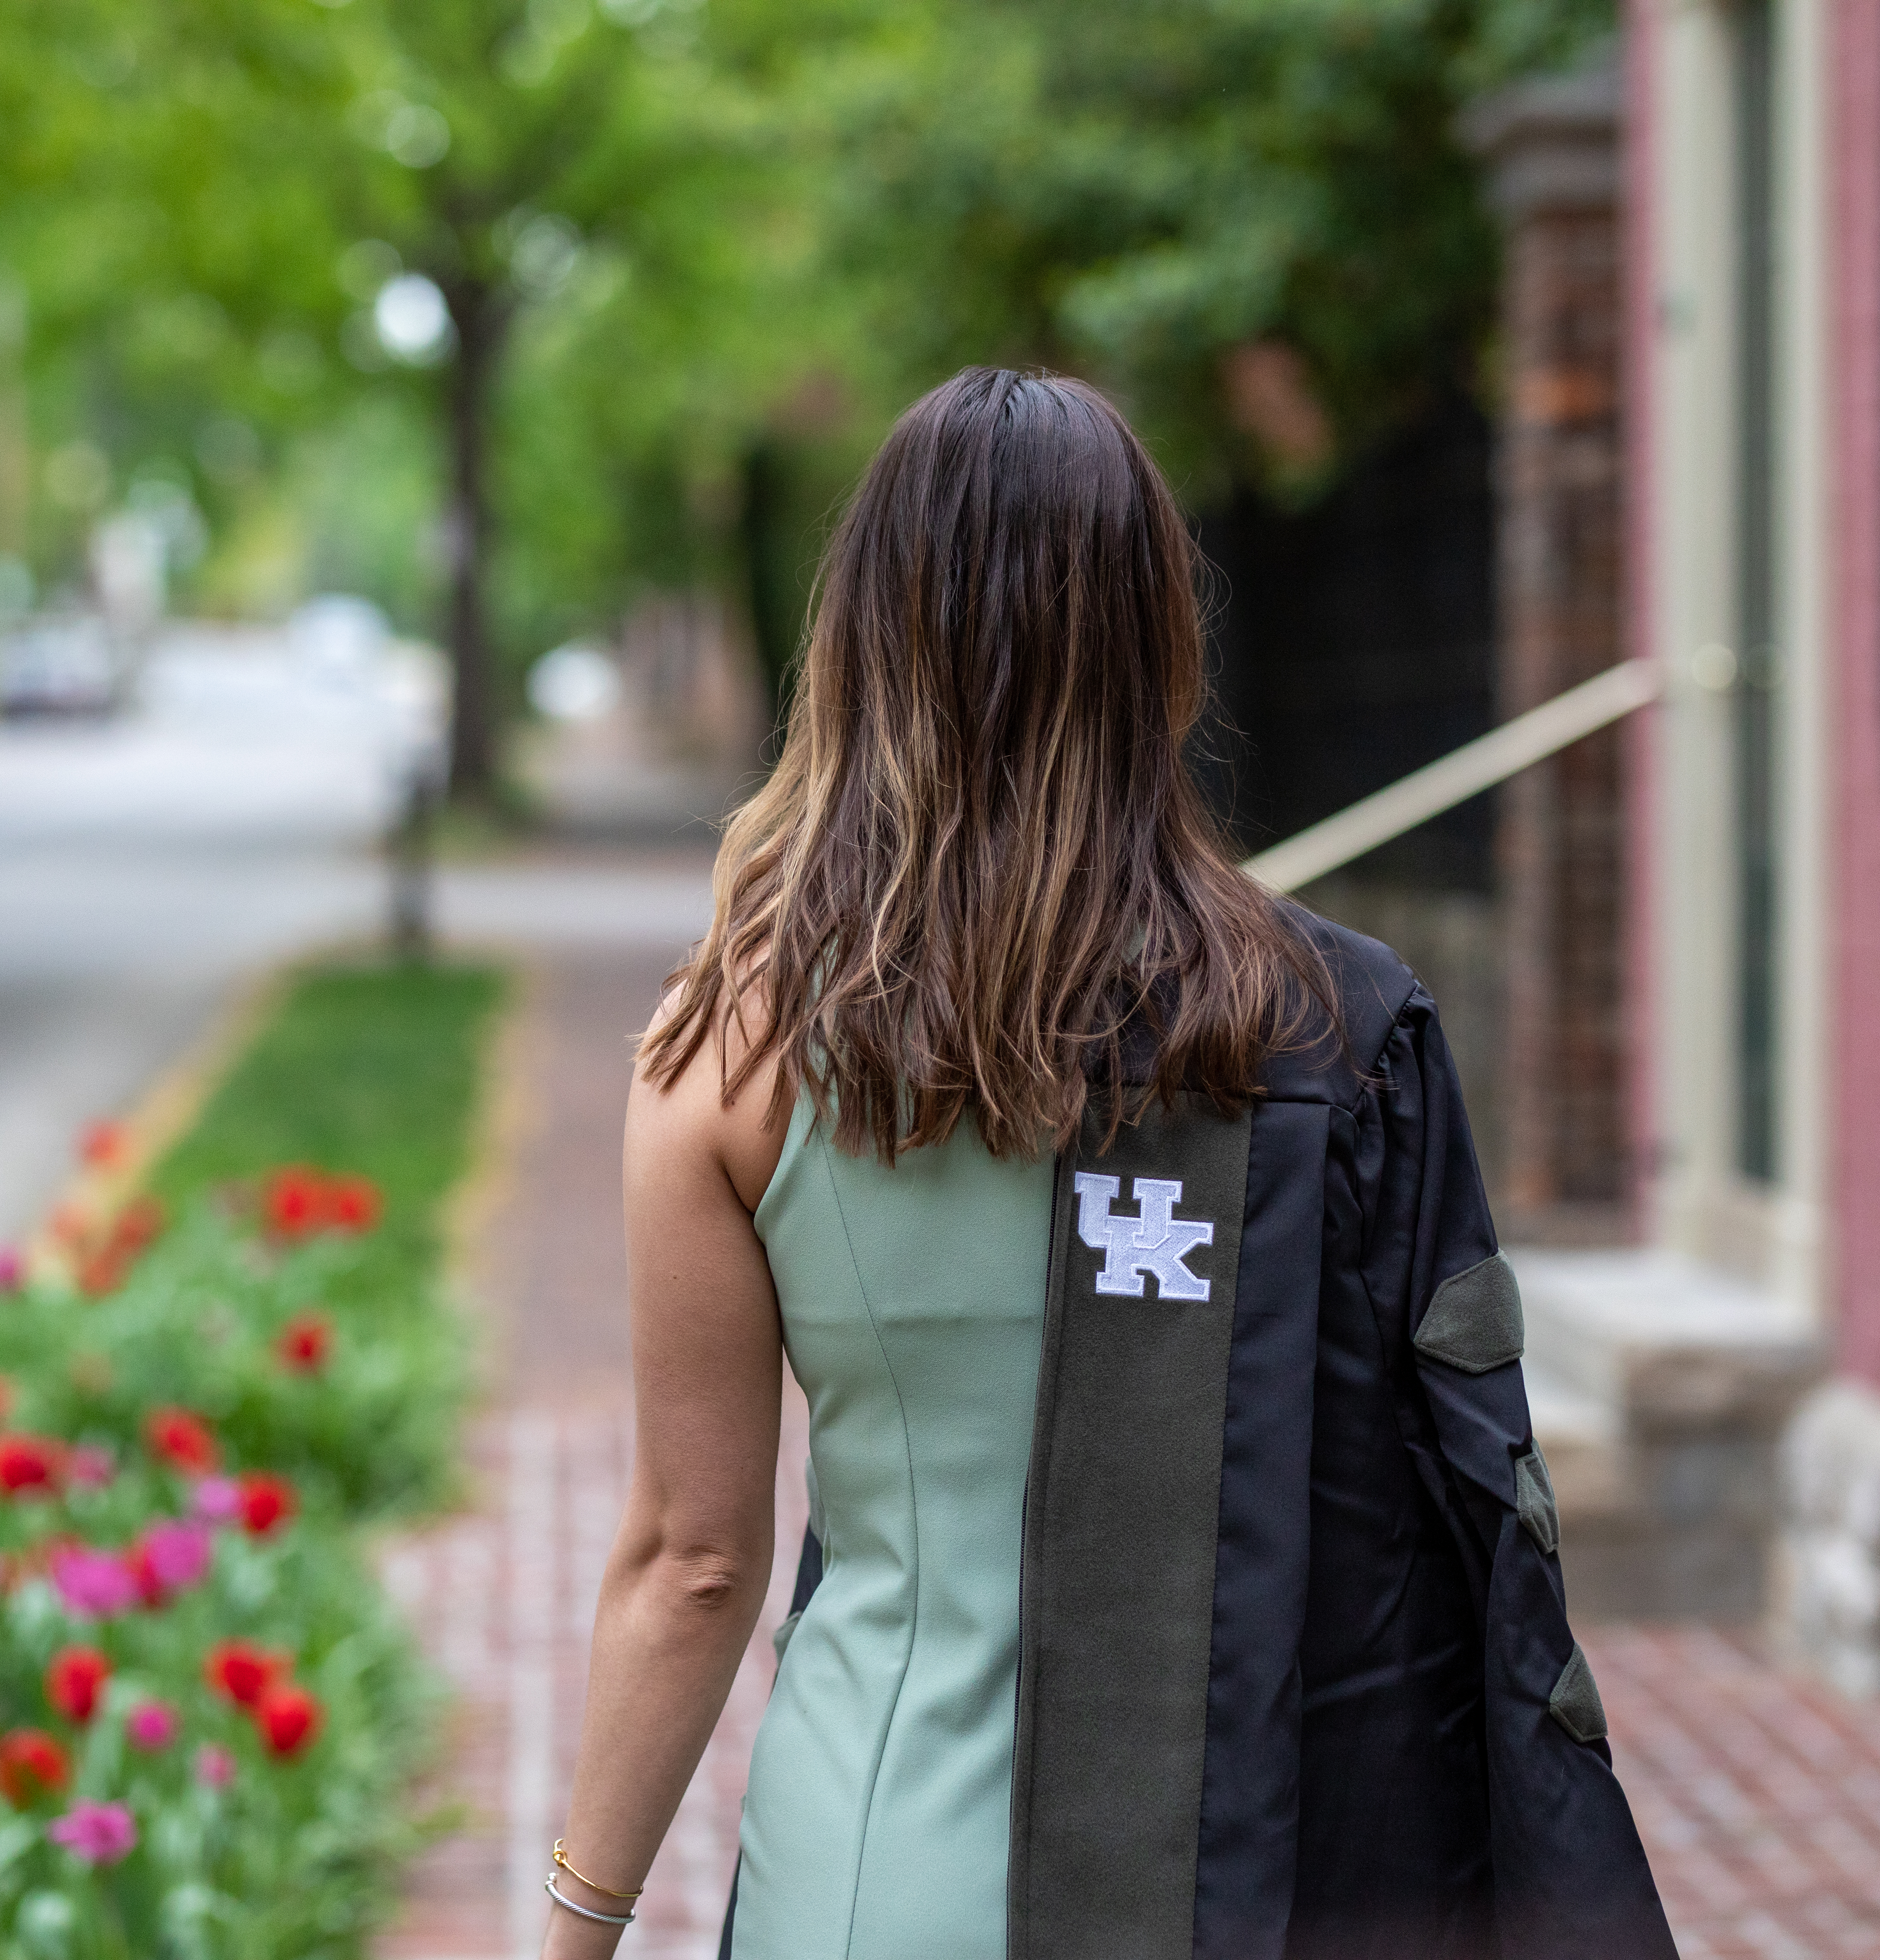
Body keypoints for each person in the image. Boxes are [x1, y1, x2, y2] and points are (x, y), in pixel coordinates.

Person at [545, 370, 1673, 1960]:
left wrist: (577, 1922)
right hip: (1220, 1882)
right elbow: (1462, 1532)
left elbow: (693, 1559)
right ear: (1155, 640)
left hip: (867, 1873)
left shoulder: (723, 1050)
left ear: (860, 643)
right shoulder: (1323, 1035)